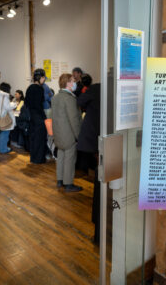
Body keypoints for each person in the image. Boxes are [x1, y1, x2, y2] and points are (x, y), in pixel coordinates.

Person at [77, 82, 101, 242]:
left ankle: (98, 226)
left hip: (96, 137)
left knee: (100, 186)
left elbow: (80, 102)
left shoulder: (97, 88)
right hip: (107, 137)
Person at [52, 73, 82, 192]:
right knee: (69, 159)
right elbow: (73, 119)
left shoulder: (55, 97)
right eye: (73, 81)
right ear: (68, 83)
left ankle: (60, 180)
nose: (74, 83)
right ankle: (68, 183)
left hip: (58, 133)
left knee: (60, 156)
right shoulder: (69, 99)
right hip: (68, 134)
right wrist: (78, 135)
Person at [24, 69, 47, 164]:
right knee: (40, 139)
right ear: (41, 78)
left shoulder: (29, 88)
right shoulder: (39, 89)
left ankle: (33, 158)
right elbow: (39, 105)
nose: (44, 79)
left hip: (31, 117)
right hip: (38, 117)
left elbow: (26, 103)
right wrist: (44, 117)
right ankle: (39, 159)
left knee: (33, 138)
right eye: (44, 77)